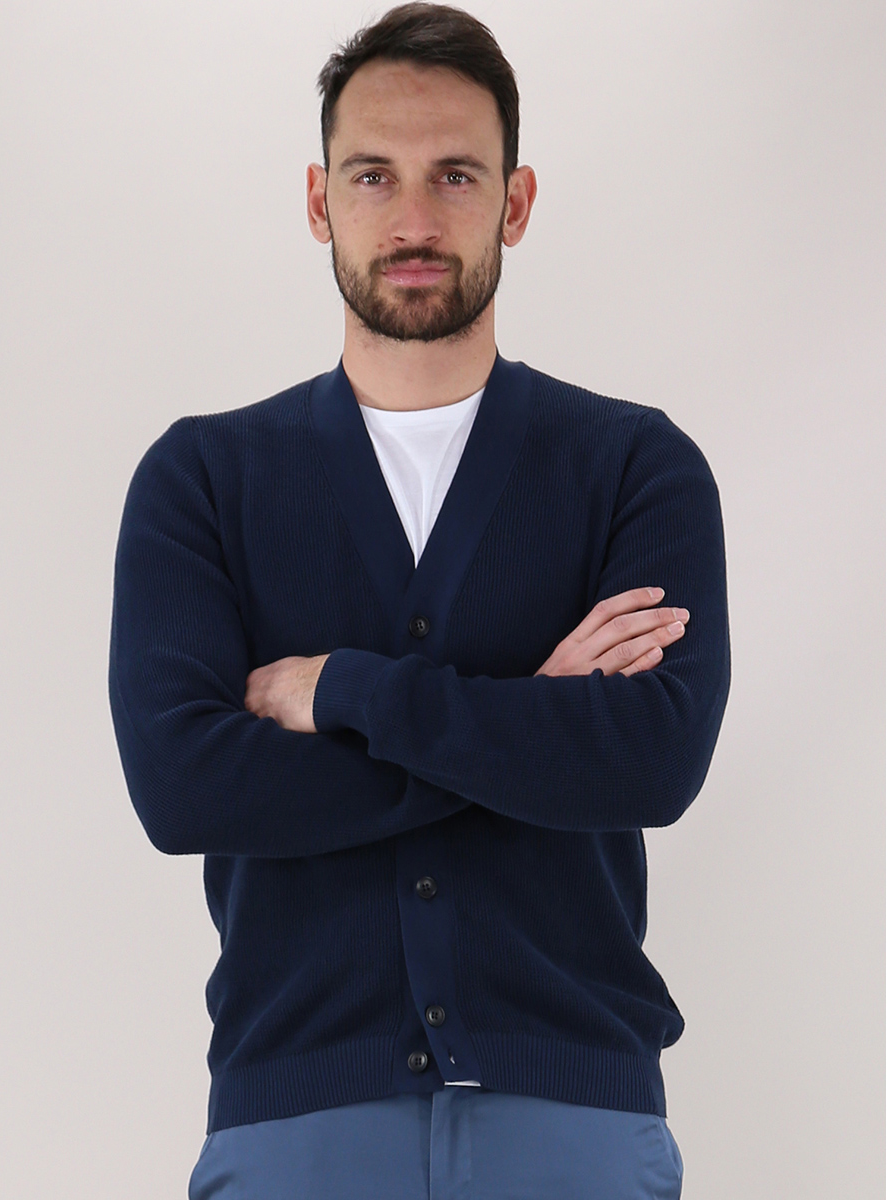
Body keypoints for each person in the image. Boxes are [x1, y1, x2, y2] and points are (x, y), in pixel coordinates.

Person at [108, 4, 730, 1197]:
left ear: (516, 202)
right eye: (372, 176)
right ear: (317, 201)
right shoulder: (204, 480)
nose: (413, 219)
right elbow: (184, 789)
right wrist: (533, 716)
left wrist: (346, 692)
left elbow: (652, 764)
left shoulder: (633, 469)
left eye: (455, 175)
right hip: (297, 1117)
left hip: (576, 1116)